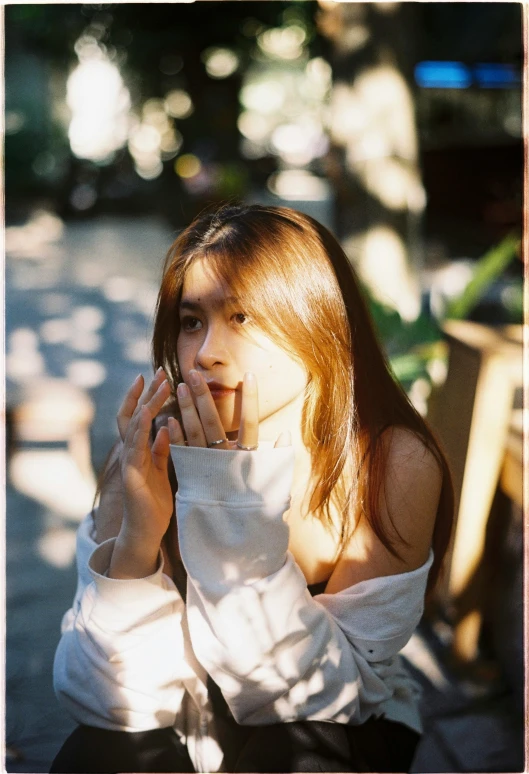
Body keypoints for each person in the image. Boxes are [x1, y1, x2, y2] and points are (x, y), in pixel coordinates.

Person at [51, 203, 453, 774]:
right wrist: (139, 537)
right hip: (189, 719)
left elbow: (315, 699)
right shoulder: (144, 454)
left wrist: (227, 505)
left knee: (298, 754)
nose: (208, 350)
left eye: (242, 317)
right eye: (192, 321)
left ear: (318, 319)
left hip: (343, 722)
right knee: (97, 754)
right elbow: (106, 701)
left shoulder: (390, 463)